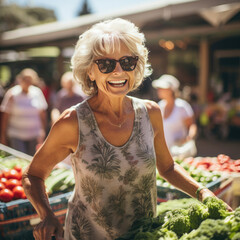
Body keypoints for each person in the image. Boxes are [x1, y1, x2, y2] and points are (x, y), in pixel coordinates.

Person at [22, 18, 230, 240]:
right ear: (90, 72)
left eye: (127, 61)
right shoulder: (73, 121)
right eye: (106, 64)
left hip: (143, 234)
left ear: (136, 66)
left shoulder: (150, 113)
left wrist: (203, 192)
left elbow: (167, 167)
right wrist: (46, 215)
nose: (118, 71)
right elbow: (33, 175)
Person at [0, 68, 48, 156]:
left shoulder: (37, 93)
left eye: (30, 80)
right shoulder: (12, 94)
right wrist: (3, 135)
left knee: (32, 159)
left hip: (34, 135)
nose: (27, 82)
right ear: (20, 79)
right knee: (20, 159)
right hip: (16, 135)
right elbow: (5, 116)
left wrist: (43, 131)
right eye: (25, 79)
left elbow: (42, 114)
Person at [152, 74, 198, 158]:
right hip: (164, 153)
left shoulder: (182, 106)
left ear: (171, 90)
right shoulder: (159, 106)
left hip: (180, 153)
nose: (159, 90)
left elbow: (192, 126)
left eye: (162, 88)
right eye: (159, 88)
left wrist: (189, 138)